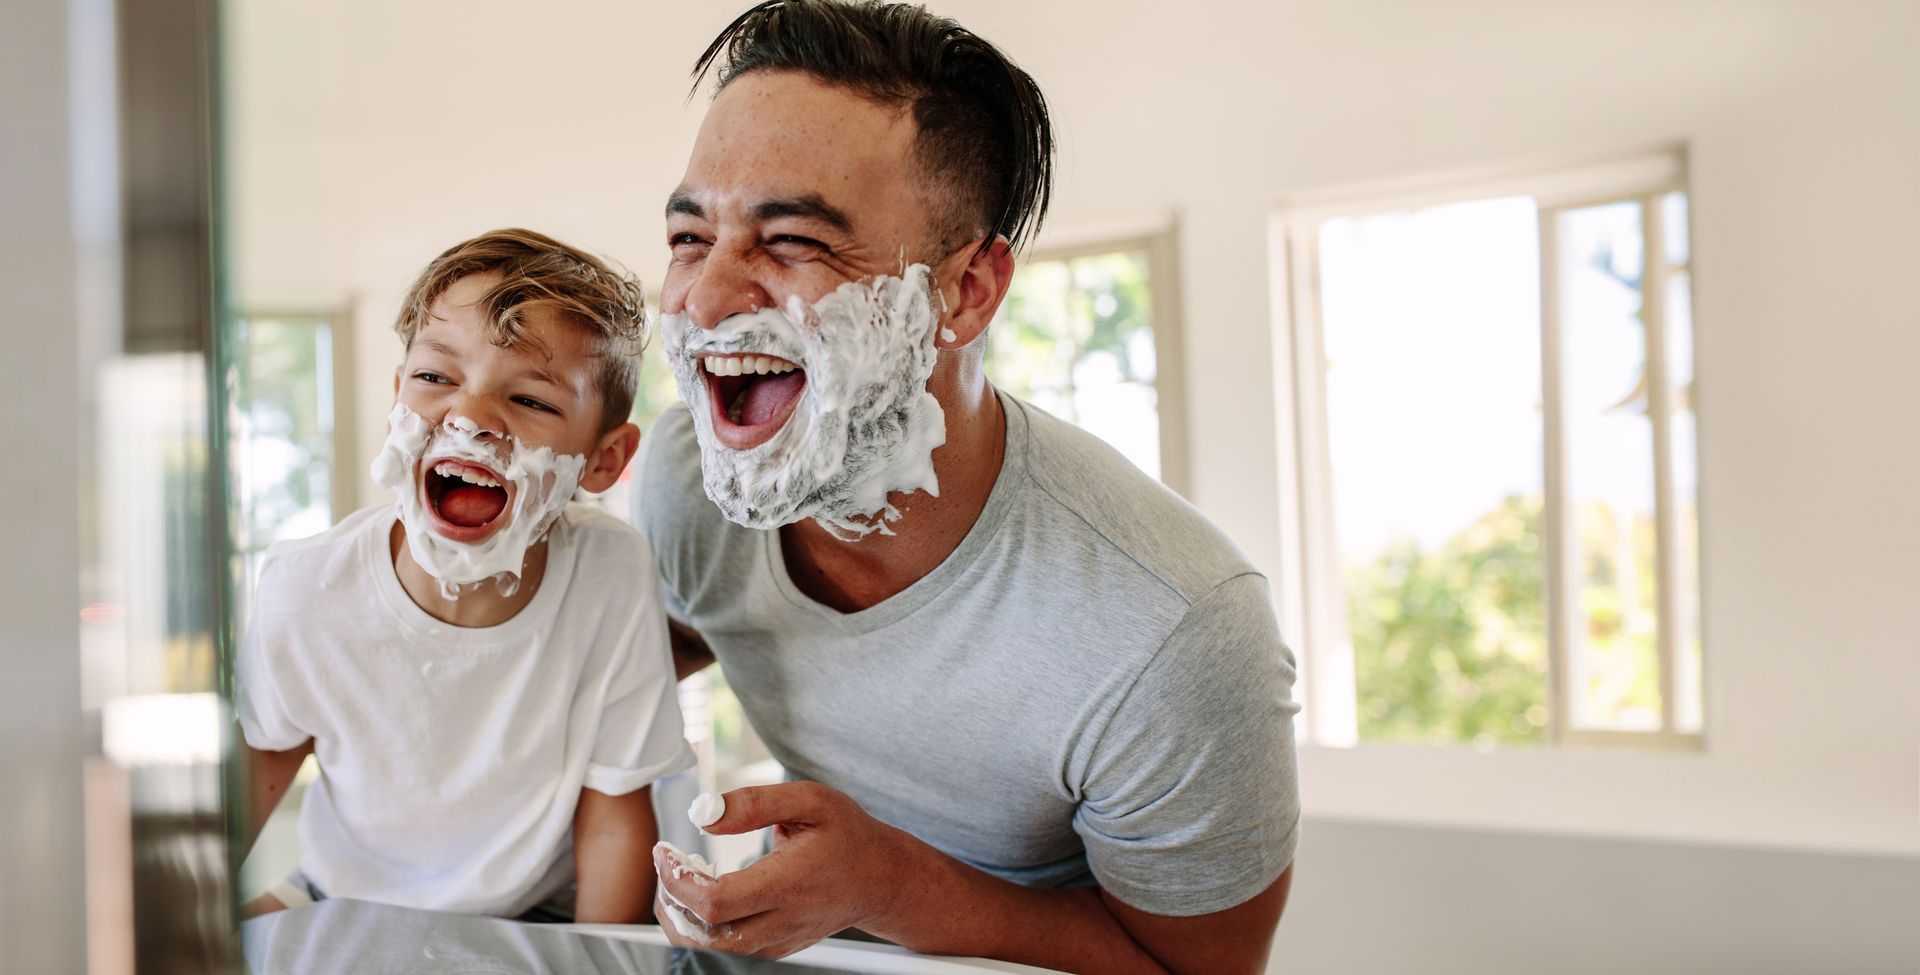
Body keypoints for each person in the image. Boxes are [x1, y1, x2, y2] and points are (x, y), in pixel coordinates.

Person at [634, 3, 1300, 972]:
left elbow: (1201, 971)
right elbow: (625, 657)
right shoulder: (690, 488)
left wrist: (891, 889)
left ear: (967, 292)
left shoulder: (1173, 630)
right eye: (691, 237)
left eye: (794, 243)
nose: (703, 298)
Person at [236, 229, 695, 923]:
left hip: (535, 910)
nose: (471, 417)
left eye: (532, 401)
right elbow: (239, 799)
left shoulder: (609, 573)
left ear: (603, 460)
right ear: (397, 398)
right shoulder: (307, 590)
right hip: (343, 896)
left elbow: (613, 817)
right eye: (434, 377)